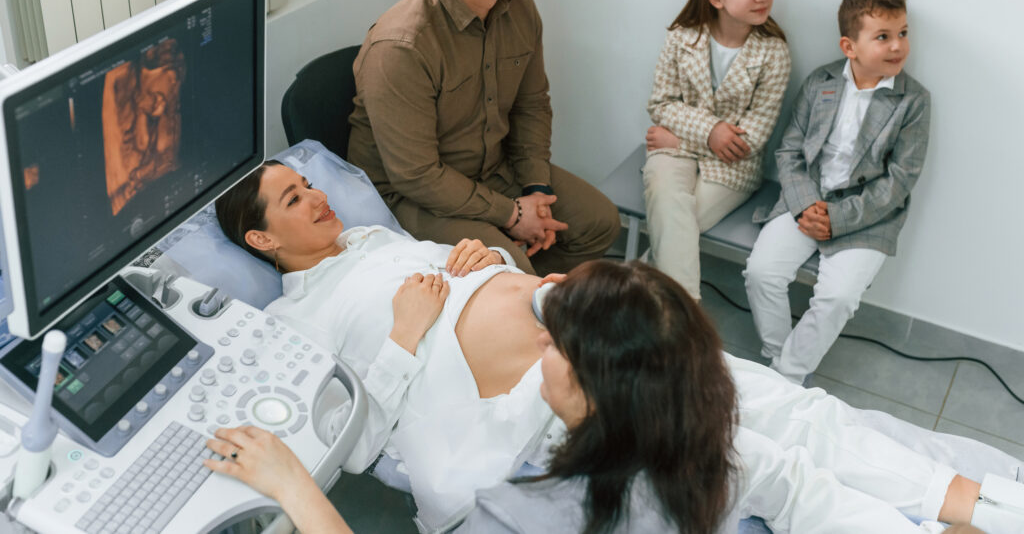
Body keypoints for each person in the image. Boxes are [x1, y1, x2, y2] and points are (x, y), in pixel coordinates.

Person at [213, 161, 1023, 532]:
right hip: (510, 392)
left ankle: (968, 499)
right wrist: (403, 337)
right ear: (261, 236)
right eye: (292, 197)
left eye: (309, 181)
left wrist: (482, 257)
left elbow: (492, 272)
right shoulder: (293, 326)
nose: (317, 193)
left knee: (784, 408)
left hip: (579, 334)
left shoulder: (370, 238)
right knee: (739, 449)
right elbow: (349, 446)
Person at [204, 261, 995, 533]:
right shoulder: (696, 434)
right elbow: (790, 481)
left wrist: (292, 483)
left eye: (548, 344)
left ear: (586, 384)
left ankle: (964, 499)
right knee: (795, 435)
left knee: (805, 421)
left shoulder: (529, 510)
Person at [346, 0, 620, 276]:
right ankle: (517, 296)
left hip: (492, 169)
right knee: (510, 264)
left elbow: (532, 104)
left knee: (599, 222)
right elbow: (417, 175)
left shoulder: (518, 6)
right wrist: (511, 214)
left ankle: (532, 299)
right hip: (410, 197)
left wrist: (536, 190)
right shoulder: (401, 47)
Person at [744, 0, 928, 385]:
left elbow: (900, 181)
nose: (898, 46)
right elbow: (789, 151)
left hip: (866, 217)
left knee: (838, 297)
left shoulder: (913, 101)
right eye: (883, 36)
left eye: (903, 33)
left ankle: (786, 377)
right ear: (850, 46)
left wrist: (838, 218)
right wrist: (806, 204)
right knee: (761, 272)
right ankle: (778, 358)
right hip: (805, 201)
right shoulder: (820, 82)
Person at [644, 0, 791, 303]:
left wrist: (682, 140)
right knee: (668, 200)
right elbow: (661, 103)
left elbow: (750, 139)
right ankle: (684, 315)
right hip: (670, 154)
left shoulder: (774, 52)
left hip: (732, 168)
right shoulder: (682, 37)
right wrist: (711, 131)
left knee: (675, 224)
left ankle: (643, 304)